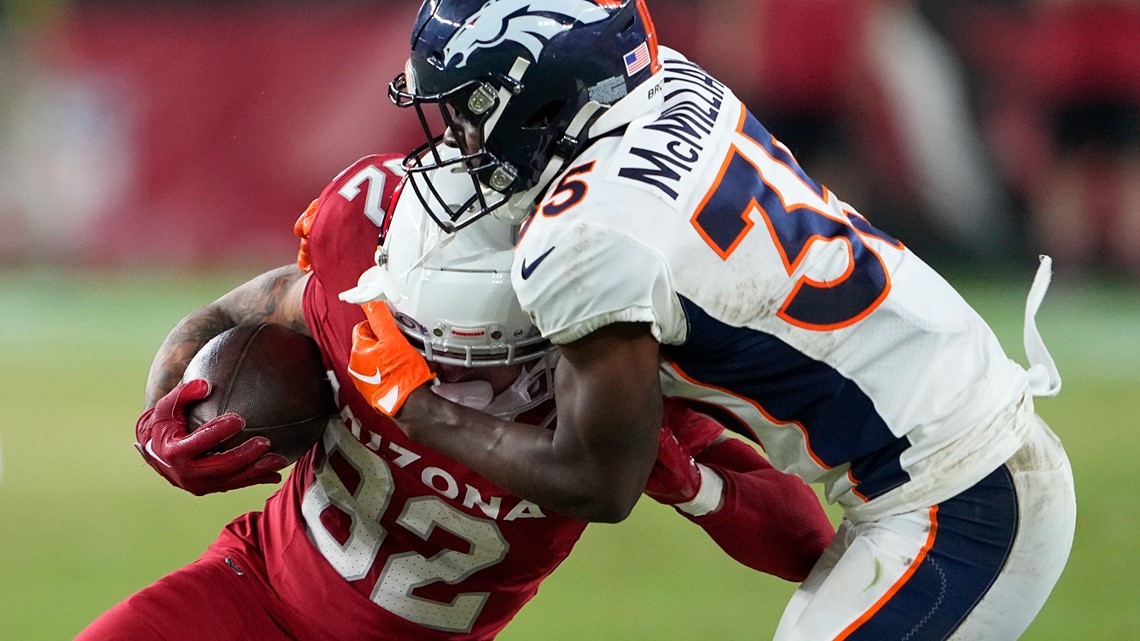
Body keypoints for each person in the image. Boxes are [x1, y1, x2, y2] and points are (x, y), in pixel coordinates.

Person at [344, 1, 1077, 639]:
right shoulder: (667, 78)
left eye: (473, 107)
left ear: (542, 89)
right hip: (952, 440)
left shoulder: (586, 242)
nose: (460, 138)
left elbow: (600, 482)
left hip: (958, 494)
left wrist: (418, 407)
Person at [75, 155, 835, 641]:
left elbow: (809, 546)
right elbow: (247, 305)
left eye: (465, 345)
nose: (435, 353)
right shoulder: (370, 282)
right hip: (253, 590)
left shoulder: (608, 379)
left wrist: (689, 479)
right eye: (419, 328)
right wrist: (162, 417)